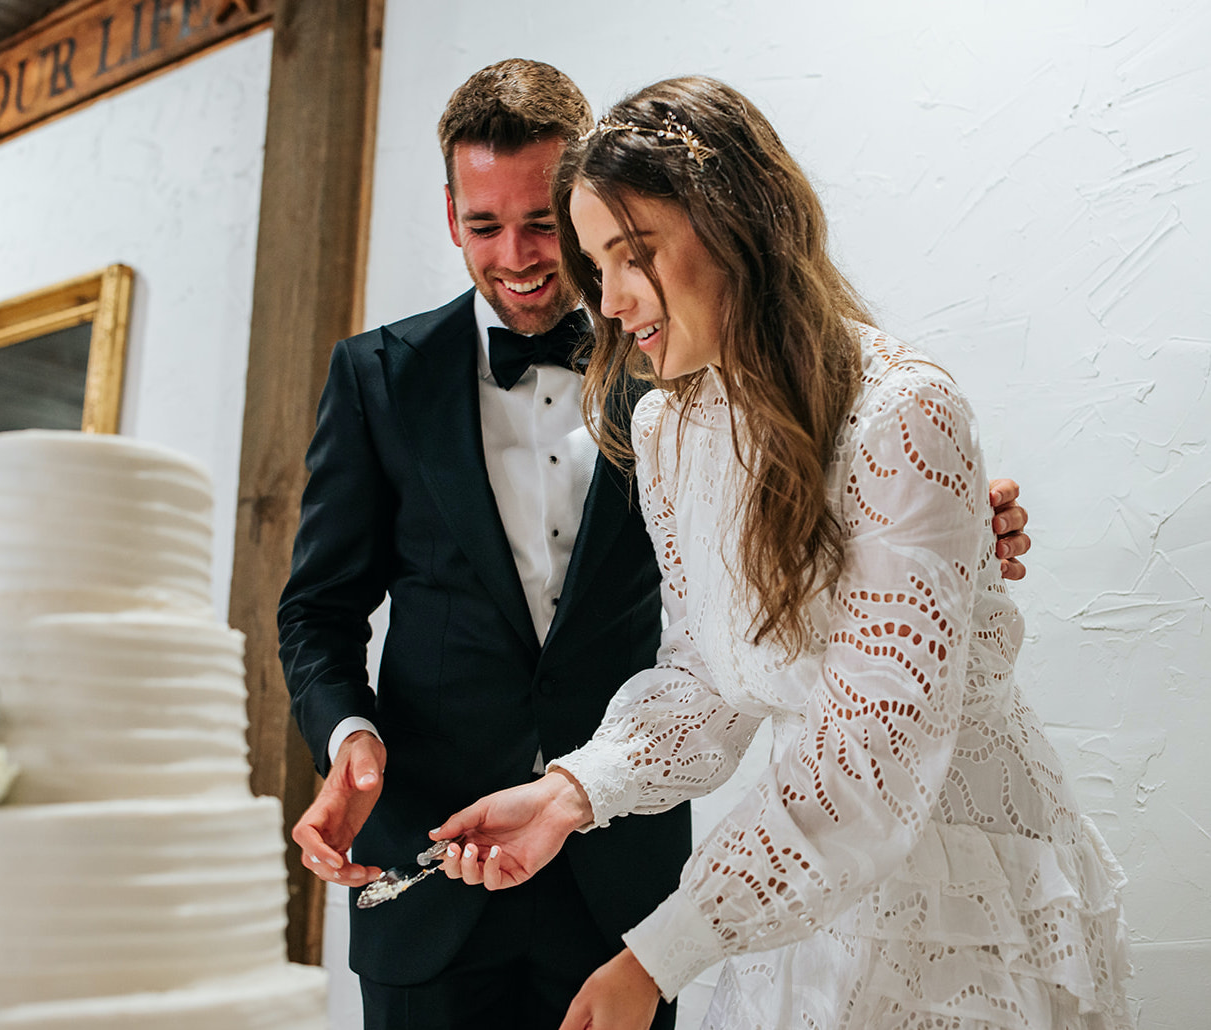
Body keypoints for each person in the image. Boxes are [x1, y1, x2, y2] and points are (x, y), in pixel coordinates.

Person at [278, 61, 1032, 1030]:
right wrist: (559, 790)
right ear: (449, 212)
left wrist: (938, 522)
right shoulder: (657, 411)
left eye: (580, 239)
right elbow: (703, 671)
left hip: (752, 887)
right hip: (466, 852)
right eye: (483, 225)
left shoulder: (720, 387)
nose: (588, 286)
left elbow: (863, 709)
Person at [433, 76, 1130, 1030]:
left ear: (733, 226)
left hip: (957, 891)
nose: (610, 299)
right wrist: (569, 794)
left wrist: (658, 956)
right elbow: (706, 682)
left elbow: (872, 753)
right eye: (596, 265)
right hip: (796, 890)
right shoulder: (674, 432)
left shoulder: (902, 412)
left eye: (632, 255)